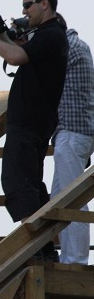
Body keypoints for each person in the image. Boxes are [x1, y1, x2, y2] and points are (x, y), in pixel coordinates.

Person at [0, 0, 67, 262]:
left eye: (28, 4)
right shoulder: (47, 35)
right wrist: (2, 31)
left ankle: (37, 249)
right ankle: (44, 249)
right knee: (31, 185)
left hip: (29, 121)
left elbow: (15, 57)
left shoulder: (51, 34)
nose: (25, 11)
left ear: (45, 4)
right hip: (33, 121)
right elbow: (20, 48)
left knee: (18, 182)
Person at [50, 15, 93, 264]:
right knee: (60, 198)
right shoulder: (79, 45)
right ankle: (70, 258)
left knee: (71, 202)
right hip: (80, 132)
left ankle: (75, 261)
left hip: (72, 132)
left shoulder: (65, 48)